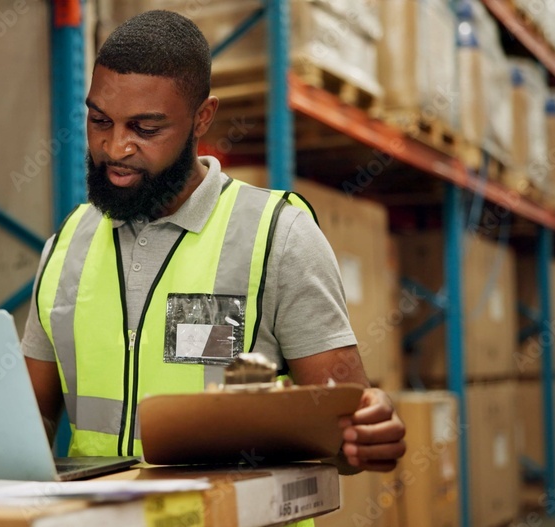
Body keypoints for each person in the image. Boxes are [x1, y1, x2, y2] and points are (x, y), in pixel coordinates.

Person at [21, 8, 404, 489]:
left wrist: (367, 430)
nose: (115, 147)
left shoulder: (278, 236)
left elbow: (343, 423)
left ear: (202, 117)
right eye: (100, 120)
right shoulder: (66, 244)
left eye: (146, 128)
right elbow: (27, 424)